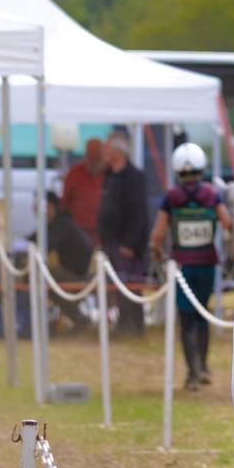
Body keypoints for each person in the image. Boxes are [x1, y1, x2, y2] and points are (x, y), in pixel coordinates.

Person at [149, 143, 231, 389]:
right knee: (202, 313)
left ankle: (192, 373)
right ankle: (203, 367)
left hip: (182, 266)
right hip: (207, 263)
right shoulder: (211, 194)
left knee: (185, 319)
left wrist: (158, 253)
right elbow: (227, 223)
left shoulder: (172, 198)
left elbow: (157, 234)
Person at [96, 133, 148, 334]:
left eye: (107, 149)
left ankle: (134, 324)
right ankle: (123, 322)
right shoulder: (109, 175)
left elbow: (137, 213)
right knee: (117, 287)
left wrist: (129, 243)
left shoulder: (134, 177)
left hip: (127, 245)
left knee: (131, 285)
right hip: (111, 240)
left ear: (118, 152)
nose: (104, 153)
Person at [41, 193, 94, 331]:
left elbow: (45, 244)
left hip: (78, 274)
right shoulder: (59, 222)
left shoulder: (61, 224)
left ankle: (35, 323)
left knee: (41, 279)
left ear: (50, 207)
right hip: (75, 272)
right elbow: (38, 238)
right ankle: (77, 318)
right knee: (49, 280)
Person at [61, 137, 106, 245]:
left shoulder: (109, 174)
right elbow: (64, 204)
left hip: (104, 234)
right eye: (92, 157)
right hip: (79, 232)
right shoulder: (75, 174)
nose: (94, 162)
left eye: (97, 158)